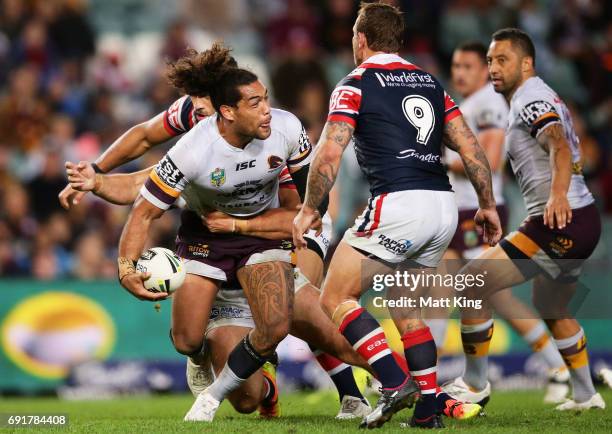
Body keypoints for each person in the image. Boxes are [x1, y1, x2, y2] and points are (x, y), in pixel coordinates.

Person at [61, 45, 372, 420]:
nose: (200, 116)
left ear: (226, 105)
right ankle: (229, 362)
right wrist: (95, 176)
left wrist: (246, 225)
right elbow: (142, 165)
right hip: (206, 240)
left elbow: (304, 208)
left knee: (301, 312)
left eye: (206, 110)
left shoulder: (276, 132)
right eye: (199, 112)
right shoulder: (193, 132)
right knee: (204, 355)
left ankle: (377, 388)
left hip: (276, 226)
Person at [293, 2, 500, 429]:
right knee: (406, 309)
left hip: (399, 203)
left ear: (362, 39)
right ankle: (427, 409)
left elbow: (330, 151)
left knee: (335, 296)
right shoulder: (430, 83)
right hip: (443, 207)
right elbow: (472, 148)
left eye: (353, 33)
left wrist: (310, 208)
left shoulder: (355, 83)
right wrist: (488, 204)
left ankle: (392, 380)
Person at [445, 28, 605, 412]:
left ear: (527, 63)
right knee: (552, 305)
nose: (494, 68)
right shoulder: (535, 95)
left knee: (472, 279)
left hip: (559, 220)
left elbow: (558, 143)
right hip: (581, 219)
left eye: (503, 60)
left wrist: (558, 194)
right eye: (490, 61)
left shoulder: (531, 97)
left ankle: (475, 383)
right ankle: (586, 394)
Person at [428, 41, 570, 405]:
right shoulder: (470, 105)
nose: (460, 73)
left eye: (469, 66)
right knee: (441, 290)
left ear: (484, 70)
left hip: (480, 212)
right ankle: (424, 376)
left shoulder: (487, 104)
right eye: (456, 66)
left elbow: (489, 160)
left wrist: (432, 160)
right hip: (460, 211)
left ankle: (557, 366)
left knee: (496, 297)